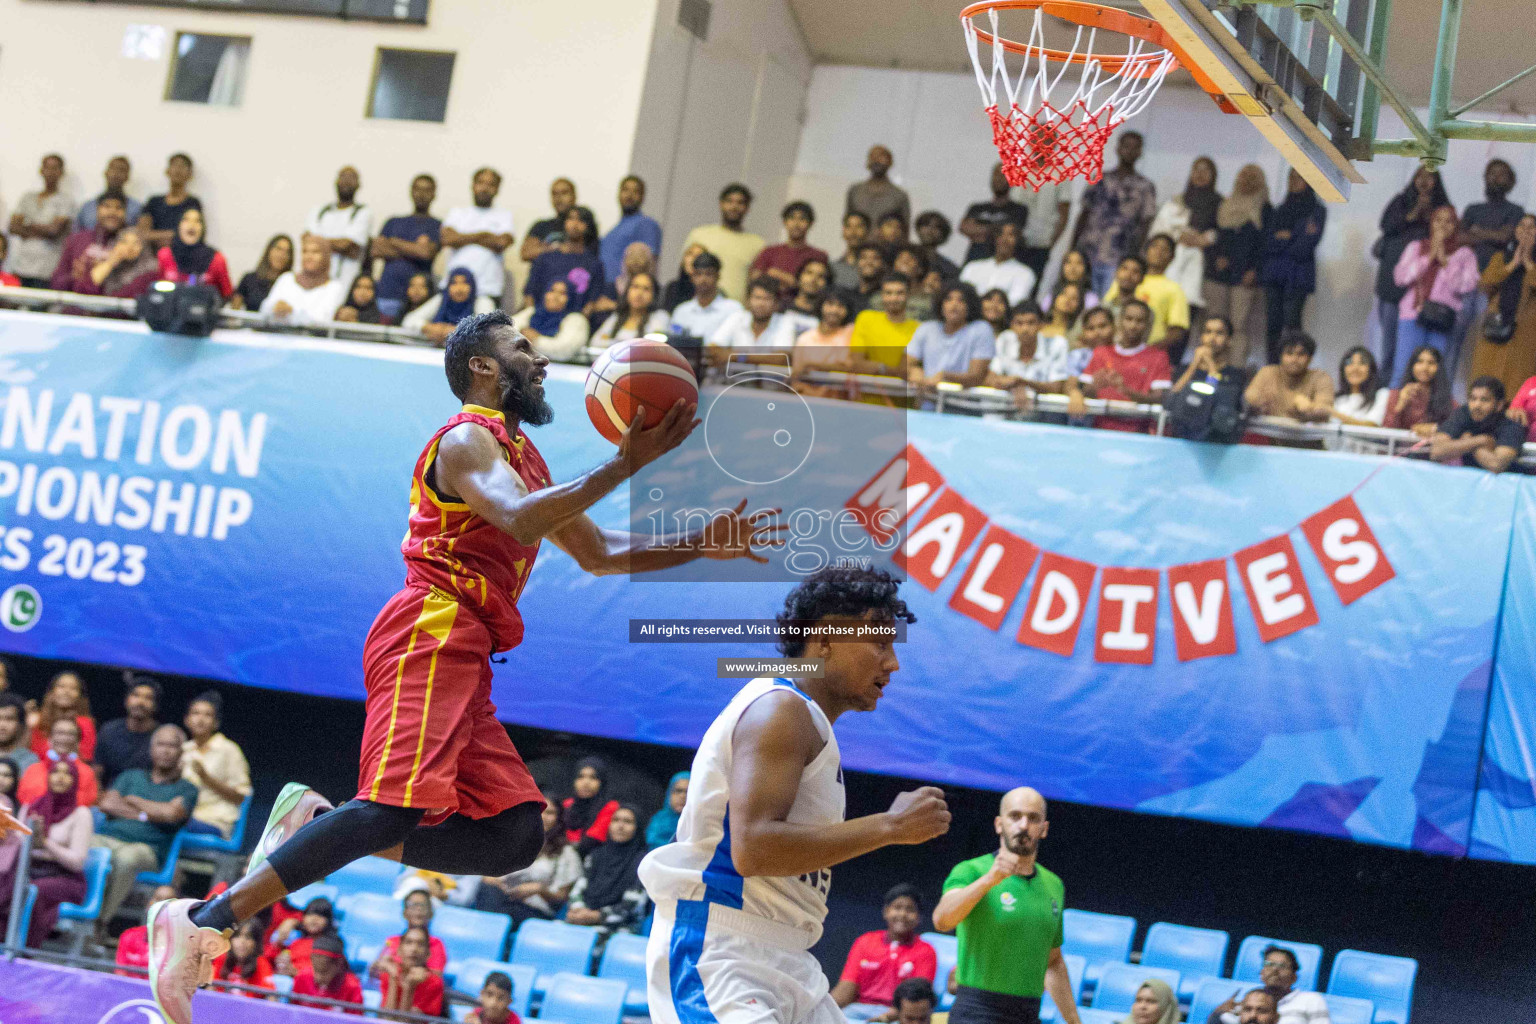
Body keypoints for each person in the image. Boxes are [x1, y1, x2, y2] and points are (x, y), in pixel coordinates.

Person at [149, 309, 778, 1024]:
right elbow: (518, 518)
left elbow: (598, 553)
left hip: (469, 646)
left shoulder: (524, 458)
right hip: (433, 624)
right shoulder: (467, 440)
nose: (539, 362)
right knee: (391, 806)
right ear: (483, 366)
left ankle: (319, 823)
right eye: (523, 349)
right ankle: (204, 916)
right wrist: (623, 466)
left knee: (513, 835)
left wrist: (704, 543)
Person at [641, 567, 949, 1024]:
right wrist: (891, 827)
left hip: (786, 953)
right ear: (825, 639)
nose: (892, 662)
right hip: (721, 949)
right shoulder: (780, 708)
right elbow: (754, 849)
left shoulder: (807, 721)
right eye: (880, 642)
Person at [932, 787, 1079, 1024]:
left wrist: (1074, 1020)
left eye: (1033, 818)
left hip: (1028, 1013)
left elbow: (1053, 962)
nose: (1023, 825)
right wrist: (991, 878)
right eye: (1015, 816)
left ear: (1044, 829)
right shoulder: (971, 871)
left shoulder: (1054, 885)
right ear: (999, 824)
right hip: (976, 1010)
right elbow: (941, 920)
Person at [92, 725, 198, 936]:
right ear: (151, 749)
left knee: (125, 860)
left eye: (172, 746)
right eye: (161, 744)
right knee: (86, 849)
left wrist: (133, 800)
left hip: (146, 850)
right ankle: (70, 917)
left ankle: (98, 924)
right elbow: (107, 804)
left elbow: (171, 815)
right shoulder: (131, 777)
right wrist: (147, 813)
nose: (166, 751)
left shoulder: (187, 788)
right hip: (106, 838)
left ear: (181, 752)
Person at [0, 759, 92, 946]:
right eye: (55, 772)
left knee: (33, 890)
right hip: (30, 870)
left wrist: (45, 843)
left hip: (65, 878)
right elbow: (19, 846)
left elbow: (77, 862)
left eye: (67, 773)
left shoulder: (81, 814)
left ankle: (24, 950)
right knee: (7, 883)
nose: (60, 777)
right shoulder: (30, 808)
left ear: (74, 780)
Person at [1390, 204, 1480, 384]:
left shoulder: (1465, 253)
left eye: (1449, 221)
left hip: (1442, 319)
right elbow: (1401, 278)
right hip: (1412, 314)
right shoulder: (1416, 247)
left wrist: (1445, 261)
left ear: (1456, 225)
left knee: (1436, 373)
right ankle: (1397, 410)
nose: (1443, 225)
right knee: (1404, 368)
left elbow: (1466, 287)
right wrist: (1429, 257)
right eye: (1438, 220)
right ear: (1431, 223)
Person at [1373, 167, 1448, 378]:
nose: (1424, 181)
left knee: (1415, 350)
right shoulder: (1401, 201)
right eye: (1420, 176)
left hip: (1424, 291)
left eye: (1430, 177)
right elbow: (1386, 225)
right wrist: (1415, 212)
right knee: (1388, 340)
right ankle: (1386, 385)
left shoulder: (1441, 209)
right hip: (1392, 282)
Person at [831, 883, 937, 1017]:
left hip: (899, 1015)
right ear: (886, 911)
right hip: (858, 1010)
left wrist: (887, 1017)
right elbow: (846, 988)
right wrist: (825, 1009)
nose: (903, 914)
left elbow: (918, 998)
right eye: (897, 908)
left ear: (919, 917)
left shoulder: (925, 950)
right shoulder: (865, 941)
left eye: (910, 910)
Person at [1071, 131, 1157, 296]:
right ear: (1118, 149)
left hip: (1120, 256)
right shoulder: (1100, 178)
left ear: (1140, 152)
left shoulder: (1145, 186)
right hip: (1088, 252)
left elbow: (1146, 224)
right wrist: (1073, 248)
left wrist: (1135, 256)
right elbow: (1084, 213)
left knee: (1108, 304)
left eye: (1134, 147)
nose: (1129, 151)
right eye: (1126, 146)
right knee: (1082, 299)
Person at [477, 793, 583, 925]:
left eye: (550, 813)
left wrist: (538, 889)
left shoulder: (566, 853)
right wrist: (493, 880)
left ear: (558, 818)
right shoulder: (515, 841)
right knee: (486, 889)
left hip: (535, 910)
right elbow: (487, 875)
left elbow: (561, 897)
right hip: (504, 897)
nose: (543, 817)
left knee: (502, 913)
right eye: (539, 811)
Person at [1067, 300, 1172, 432]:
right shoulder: (1101, 353)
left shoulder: (1158, 357)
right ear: (1119, 321)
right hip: (1098, 432)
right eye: (1129, 319)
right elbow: (1087, 392)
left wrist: (1126, 391)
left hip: (1139, 434)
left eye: (1140, 321)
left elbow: (1160, 398)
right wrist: (1095, 386)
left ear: (1148, 325)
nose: (1133, 325)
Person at [1204, 164, 1271, 367]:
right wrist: (1218, 257)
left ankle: (1234, 370)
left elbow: (1265, 244)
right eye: (1244, 176)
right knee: (1214, 323)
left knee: (1238, 325)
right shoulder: (1225, 205)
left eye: (1253, 177)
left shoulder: (1264, 209)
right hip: (1219, 273)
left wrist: (1255, 270)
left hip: (1245, 276)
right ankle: (1209, 366)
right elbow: (1215, 236)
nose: (1247, 180)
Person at [1466, 212, 1536, 397]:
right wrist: (1512, 264)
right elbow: (1485, 284)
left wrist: (1528, 262)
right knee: (1486, 376)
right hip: (1495, 325)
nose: (1526, 231)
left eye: (1532, 227)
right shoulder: (1501, 256)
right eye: (1522, 226)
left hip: (1526, 331)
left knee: (1516, 382)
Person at [1260, 171, 1326, 363]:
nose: (1294, 182)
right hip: (1275, 275)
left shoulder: (1316, 210)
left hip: (1298, 276)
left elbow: (1305, 246)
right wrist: (1290, 237)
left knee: (1292, 323)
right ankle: (1272, 366)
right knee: (1273, 324)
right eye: (1291, 178)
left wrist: (1285, 239)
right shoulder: (1280, 209)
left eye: (1299, 177)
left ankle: (1293, 364)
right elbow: (1268, 242)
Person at [1148, 158, 1220, 326]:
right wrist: (1178, 236)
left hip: (1199, 268)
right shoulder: (1177, 200)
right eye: (1197, 169)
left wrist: (1205, 239)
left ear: (1213, 175)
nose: (1200, 174)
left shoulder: (1219, 204)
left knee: (1184, 317)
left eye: (1205, 170)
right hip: (1171, 264)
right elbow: (1157, 231)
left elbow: (1223, 233)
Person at [565, 806, 650, 932]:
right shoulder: (596, 855)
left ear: (638, 827)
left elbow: (633, 905)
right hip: (583, 919)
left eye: (628, 822)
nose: (620, 826)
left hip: (619, 928)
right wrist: (578, 909)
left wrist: (597, 916)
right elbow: (579, 888)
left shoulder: (645, 862)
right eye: (616, 820)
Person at [181, 691, 251, 839]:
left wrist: (206, 778)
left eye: (208, 715)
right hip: (186, 817)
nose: (200, 719)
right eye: (196, 713)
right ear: (187, 720)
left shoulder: (229, 750)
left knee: (170, 822)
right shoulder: (183, 750)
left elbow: (241, 797)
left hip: (215, 822)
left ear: (216, 722)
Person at [371, 174, 442, 322]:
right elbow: (376, 249)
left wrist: (393, 241)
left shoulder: (437, 225)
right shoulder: (393, 221)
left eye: (427, 190)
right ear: (411, 191)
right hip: (387, 294)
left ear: (434, 194)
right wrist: (414, 248)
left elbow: (426, 253)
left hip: (418, 300)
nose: (421, 194)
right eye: (417, 189)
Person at [442, 168, 516, 304]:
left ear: (497, 189)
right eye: (480, 183)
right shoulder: (457, 213)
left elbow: (501, 243)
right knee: (413, 321)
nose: (485, 188)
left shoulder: (504, 215)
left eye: (491, 184)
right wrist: (485, 235)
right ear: (473, 185)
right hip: (451, 289)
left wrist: (462, 238)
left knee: (483, 325)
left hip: (486, 290)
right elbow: (448, 239)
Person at [682, 184, 766, 301]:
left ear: (747, 208)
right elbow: (685, 272)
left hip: (736, 311)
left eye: (740, 203)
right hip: (697, 306)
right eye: (729, 201)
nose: (734, 206)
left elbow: (755, 283)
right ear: (721, 204)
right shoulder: (699, 235)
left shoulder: (758, 244)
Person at [906, 283, 996, 390]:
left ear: (970, 306)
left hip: (964, 402)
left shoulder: (981, 329)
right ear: (941, 304)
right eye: (948, 299)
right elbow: (906, 363)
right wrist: (914, 370)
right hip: (928, 401)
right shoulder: (927, 328)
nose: (954, 305)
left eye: (961, 300)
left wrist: (945, 377)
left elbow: (977, 377)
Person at [1111, 235, 1190, 354]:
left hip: (1148, 353)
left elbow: (1177, 331)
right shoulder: (1126, 279)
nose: (1158, 252)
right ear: (1146, 250)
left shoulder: (1174, 289)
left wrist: (1149, 351)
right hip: (1115, 349)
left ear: (1172, 257)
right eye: (1155, 246)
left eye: (1164, 249)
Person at [1430, 376, 1525, 473]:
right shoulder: (1464, 413)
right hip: (1469, 479)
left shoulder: (1511, 426)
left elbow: (1496, 465)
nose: (1477, 405)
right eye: (1473, 399)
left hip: (1504, 485)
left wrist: (1466, 442)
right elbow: (1436, 451)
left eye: (1484, 400)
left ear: (1499, 405)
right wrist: (1479, 440)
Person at [6, 154, 75, 287]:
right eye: (47, 168)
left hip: (47, 270)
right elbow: (13, 227)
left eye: (55, 168)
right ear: (41, 170)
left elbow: (54, 231)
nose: (50, 172)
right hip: (21, 266)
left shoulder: (66, 201)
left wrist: (27, 225)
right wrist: (45, 228)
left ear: (61, 172)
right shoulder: (27, 197)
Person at [523, 205, 605, 316]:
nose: (574, 224)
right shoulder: (545, 258)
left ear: (588, 226)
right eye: (571, 218)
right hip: (538, 317)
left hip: (571, 322)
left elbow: (591, 303)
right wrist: (532, 318)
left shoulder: (594, 264)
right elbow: (529, 293)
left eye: (580, 220)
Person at [1212, 948, 1327, 1024]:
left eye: (1282, 966)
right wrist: (1217, 1013)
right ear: (1261, 974)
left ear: (1294, 977)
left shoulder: (1311, 1000)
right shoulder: (1249, 1000)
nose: (1275, 970)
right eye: (1269, 964)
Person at [1243, 330, 1334, 422]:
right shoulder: (1268, 372)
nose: (1294, 359)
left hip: (1306, 435)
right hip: (1270, 434)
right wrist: (1258, 403)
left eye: (1301, 354)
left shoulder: (1320, 377)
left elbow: (1325, 410)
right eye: (1289, 353)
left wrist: (1309, 408)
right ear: (1281, 356)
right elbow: (1250, 397)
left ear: (1310, 358)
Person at [50, 192, 130, 293]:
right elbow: (57, 283)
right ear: (97, 210)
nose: (112, 212)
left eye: (118, 208)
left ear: (125, 212)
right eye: (107, 206)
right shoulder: (77, 240)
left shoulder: (131, 244)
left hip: (114, 305)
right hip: (76, 304)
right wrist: (75, 277)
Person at [259, 235, 348, 325]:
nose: (309, 256)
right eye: (305, 252)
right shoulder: (287, 278)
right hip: (277, 335)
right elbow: (265, 309)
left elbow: (321, 319)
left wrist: (291, 312)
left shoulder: (334, 287)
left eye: (315, 252)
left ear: (325, 256)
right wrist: (275, 307)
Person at [990, 300, 1070, 399]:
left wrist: (1023, 383)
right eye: (1019, 323)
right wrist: (1013, 384)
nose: (1025, 329)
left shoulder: (1057, 344)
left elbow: (1056, 388)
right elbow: (991, 379)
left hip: (1043, 412)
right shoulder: (1004, 340)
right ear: (1011, 325)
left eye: (1031, 323)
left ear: (1041, 325)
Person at [306, 166, 372, 285]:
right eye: (343, 177)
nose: (346, 181)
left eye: (351, 178)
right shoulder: (319, 211)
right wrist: (342, 247)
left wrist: (319, 244)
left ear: (358, 185)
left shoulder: (363, 212)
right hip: (315, 280)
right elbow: (307, 241)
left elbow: (348, 246)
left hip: (346, 281)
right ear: (336, 182)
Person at [753, 201, 830, 301]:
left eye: (802, 219)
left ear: (810, 224)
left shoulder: (818, 256)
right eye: (792, 218)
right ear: (785, 222)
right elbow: (755, 280)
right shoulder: (769, 252)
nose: (796, 224)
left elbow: (821, 287)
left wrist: (784, 277)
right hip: (770, 308)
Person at [95, 675, 161, 789]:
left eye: (148, 698)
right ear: (127, 700)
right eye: (136, 695)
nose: (141, 702)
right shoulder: (109, 731)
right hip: (111, 797)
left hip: (148, 799)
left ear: (155, 706)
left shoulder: (162, 736)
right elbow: (97, 771)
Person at [1012, 170, 1071, 296]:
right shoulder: (1020, 169)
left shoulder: (1060, 174)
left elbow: (1064, 215)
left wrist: (1050, 243)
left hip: (1041, 245)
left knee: (1031, 289)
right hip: (1015, 243)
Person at [711, 276, 802, 357]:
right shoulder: (737, 317)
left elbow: (781, 358)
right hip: (734, 375)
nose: (760, 304)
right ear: (748, 300)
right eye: (757, 298)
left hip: (768, 376)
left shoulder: (785, 322)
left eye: (767, 299)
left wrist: (738, 357)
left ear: (776, 303)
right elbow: (713, 349)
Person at [849, 273, 920, 378]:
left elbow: (904, 371)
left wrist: (877, 367)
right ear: (881, 295)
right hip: (865, 391)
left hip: (901, 393)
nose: (894, 298)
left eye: (900, 293)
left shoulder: (919, 329)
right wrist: (885, 369)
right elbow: (856, 362)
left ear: (909, 294)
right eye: (888, 293)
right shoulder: (866, 318)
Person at [18, 718, 100, 807]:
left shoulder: (86, 772)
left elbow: (88, 800)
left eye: (70, 734)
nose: (64, 738)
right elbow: (24, 797)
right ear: (50, 739)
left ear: (78, 742)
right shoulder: (33, 769)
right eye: (60, 733)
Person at [960, 165, 1031, 264]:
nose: (998, 179)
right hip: (974, 260)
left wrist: (980, 230)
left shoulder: (1019, 210)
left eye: (1003, 175)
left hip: (1002, 264)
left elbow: (1011, 231)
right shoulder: (977, 207)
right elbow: (964, 228)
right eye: (995, 175)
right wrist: (995, 229)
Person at [156, 208, 233, 299]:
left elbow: (227, 294)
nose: (191, 225)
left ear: (203, 228)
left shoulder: (217, 259)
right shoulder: (164, 255)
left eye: (197, 221)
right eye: (186, 220)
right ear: (178, 225)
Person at [600, 175, 664, 284]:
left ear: (642, 197)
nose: (629, 195)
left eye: (635, 192)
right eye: (625, 190)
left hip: (625, 292)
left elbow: (648, 265)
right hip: (605, 290)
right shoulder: (614, 230)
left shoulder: (646, 224)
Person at [373, 889, 448, 980]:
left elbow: (436, 977)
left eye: (423, 906)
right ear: (404, 913)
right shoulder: (391, 941)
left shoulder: (436, 944)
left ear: (431, 914)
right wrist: (378, 967)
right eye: (413, 905)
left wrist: (396, 970)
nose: (418, 910)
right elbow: (375, 973)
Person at [407, 267, 497, 341]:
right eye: (454, 283)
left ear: (472, 286)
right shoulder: (441, 299)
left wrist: (457, 331)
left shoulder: (482, 301)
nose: (459, 288)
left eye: (464, 283)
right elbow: (409, 320)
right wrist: (428, 327)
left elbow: (489, 329)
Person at [670, 252, 745, 340]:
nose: (703, 279)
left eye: (708, 274)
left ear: (718, 276)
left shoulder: (733, 310)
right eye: (698, 274)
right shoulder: (681, 311)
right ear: (692, 277)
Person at [512, 279, 591, 363]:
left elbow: (564, 350)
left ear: (571, 298)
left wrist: (537, 340)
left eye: (562, 293)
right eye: (552, 291)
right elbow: (506, 330)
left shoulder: (576, 320)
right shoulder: (532, 312)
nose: (555, 297)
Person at [960, 222, 1035, 306]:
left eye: (1010, 235)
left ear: (1018, 240)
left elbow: (1014, 303)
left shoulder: (1025, 273)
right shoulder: (972, 267)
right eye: (1000, 234)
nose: (1004, 239)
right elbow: (961, 297)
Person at [1171, 315, 1251, 395]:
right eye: (1208, 332)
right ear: (1201, 337)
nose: (1212, 338)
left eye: (1219, 333)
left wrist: (1211, 364)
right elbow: (1173, 397)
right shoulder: (1183, 370)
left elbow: (1213, 397)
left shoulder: (1235, 375)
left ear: (1229, 340)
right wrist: (1194, 365)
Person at [1384, 345, 1453, 437]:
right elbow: (1386, 431)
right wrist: (1400, 405)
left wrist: (1435, 428)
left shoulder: (1447, 399)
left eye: (1431, 363)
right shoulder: (1396, 394)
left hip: (1429, 449)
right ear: (1412, 366)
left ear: (1439, 368)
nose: (1425, 368)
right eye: (1420, 362)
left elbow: (1455, 429)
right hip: (1398, 448)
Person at [138, 154, 202, 250]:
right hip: (151, 258)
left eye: (183, 166)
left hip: (182, 256)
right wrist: (173, 234)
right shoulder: (153, 201)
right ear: (167, 171)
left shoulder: (193, 203)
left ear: (190, 174)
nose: (178, 169)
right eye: (175, 165)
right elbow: (142, 233)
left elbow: (192, 235)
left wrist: (155, 235)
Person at [29, 670, 96, 762]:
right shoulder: (38, 720)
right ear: (52, 691)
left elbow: (86, 757)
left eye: (73, 688)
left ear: (80, 695)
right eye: (61, 686)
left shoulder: (85, 723)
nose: (66, 691)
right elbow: (32, 755)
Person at [592, 271, 670, 348]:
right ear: (627, 291)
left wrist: (612, 342)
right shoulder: (618, 316)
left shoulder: (660, 317)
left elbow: (653, 346)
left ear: (654, 295)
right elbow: (595, 342)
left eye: (646, 289)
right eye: (635, 287)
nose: (639, 293)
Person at [793, 291, 858, 382]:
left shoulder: (851, 332)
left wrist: (815, 366)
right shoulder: (805, 338)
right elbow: (797, 372)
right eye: (830, 304)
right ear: (821, 306)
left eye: (841, 306)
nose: (834, 310)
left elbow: (852, 367)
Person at [265, 895, 338, 977]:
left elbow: (322, 976)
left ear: (329, 921)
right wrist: (278, 943)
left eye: (321, 915)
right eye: (310, 914)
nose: (314, 918)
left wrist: (295, 972)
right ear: (303, 917)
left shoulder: (330, 946)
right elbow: (268, 957)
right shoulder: (296, 942)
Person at [847, 146, 912, 235]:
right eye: (873, 157)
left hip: (887, 248)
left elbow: (905, 229)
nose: (876, 160)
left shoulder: (899, 195)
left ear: (890, 162)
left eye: (881, 157)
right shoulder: (855, 191)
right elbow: (848, 222)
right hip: (860, 247)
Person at [380, 925, 445, 1015]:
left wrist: (408, 988)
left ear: (428, 954)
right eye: (408, 942)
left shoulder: (434, 983)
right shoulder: (389, 975)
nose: (414, 949)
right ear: (399, 950)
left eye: (420, 944)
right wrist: (393, 979)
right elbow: (385, 1018)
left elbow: (406, 1021)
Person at [291, 932, 363, 1012]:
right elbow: (292, 1011)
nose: (319, 978)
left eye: (324, 973)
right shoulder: (302, 977)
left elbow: (355, 1019)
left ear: (338, 965)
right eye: (316, 971)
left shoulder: (352, 986)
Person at [562, 757, 621, 854]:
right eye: (581, 777)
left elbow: (593, 839)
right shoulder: (567, 804)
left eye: (593, 778)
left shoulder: (610, 807)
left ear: (602, 782)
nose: (586, 782)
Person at [520, 178, 578, 264]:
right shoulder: (541, 226)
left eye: (564, 193)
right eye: (554, 194)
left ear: (574, 196)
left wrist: (542, 248)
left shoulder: (581, 225)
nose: (559, 198)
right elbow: (526, 253)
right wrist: (556, 247)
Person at [77, 155, 143, 231]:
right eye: (113, 168)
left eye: (121, 170)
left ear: (127, 177)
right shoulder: (87, 207)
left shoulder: (136, 208)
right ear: (105, 173)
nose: (116, 174)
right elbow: (75, 236)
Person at [231, 234, 294, 312]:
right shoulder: (249, 279)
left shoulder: (291, 284)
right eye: (278, 249)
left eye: (287, 252)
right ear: (269, 250)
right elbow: (234, 310)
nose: (282, 255)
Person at [213, 920, 274, 997]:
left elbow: (271, 996)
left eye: (248, 937)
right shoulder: (222, 958)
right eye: (237, 936)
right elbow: (210, 988)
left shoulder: (261, 963)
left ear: (256, 943)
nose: (242, 942)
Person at [1332, 346, 1389, 426]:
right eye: (1350, 363)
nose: (1355, 368)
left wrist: (1332, 413)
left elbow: (1371, 425)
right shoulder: (1336, 399)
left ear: (1371, 369)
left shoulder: (1381, 394)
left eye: (1362, 363)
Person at [647, 771, 690, 848]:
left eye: (688, 792)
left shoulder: (699, 824)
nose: (683, 796)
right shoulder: (657, 822)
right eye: (678, 791)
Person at [915, 211, 961, 282]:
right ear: (918, 229)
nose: (930, 231)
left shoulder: (948, 268)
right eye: (926, 225)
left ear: (943, 234)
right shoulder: (903, 257)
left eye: (936, 227)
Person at [833, 212, 872, 292]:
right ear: (843, 231)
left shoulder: (874, 266)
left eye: (859, 226)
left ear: (868, 231)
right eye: (849, 226)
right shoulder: (833, 267)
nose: (853, 232)